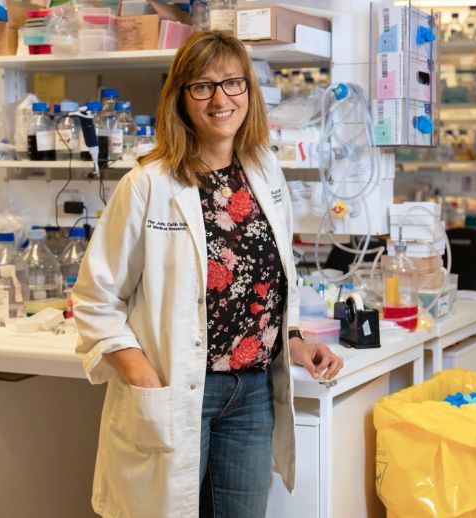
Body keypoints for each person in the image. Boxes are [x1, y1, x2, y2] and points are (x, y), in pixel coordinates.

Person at [73, 31, 344, 518]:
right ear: (181, 98)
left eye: (232, 83)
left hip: (253, 392)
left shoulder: (263, 171)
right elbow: (96, 299)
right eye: (202, 86)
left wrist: (295, 342)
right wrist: (146, 378)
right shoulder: (147, 186)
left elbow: (279, 279)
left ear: (249, 92)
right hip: (178, 390)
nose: (221, 99)